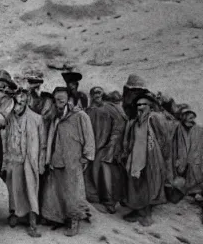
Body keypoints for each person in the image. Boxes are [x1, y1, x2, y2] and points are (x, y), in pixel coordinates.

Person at [42, 87, 95, 236]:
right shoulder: (54, 116)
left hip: (73, 160)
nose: (58, 102)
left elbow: (89, 138)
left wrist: (87, 156)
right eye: (56, 99)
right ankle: (59, 218)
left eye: (62, 99)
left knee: (73, 192)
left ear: (68, 100)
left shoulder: (80, 116)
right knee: (56, 191)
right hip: (56, 159)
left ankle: (74, 221)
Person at [122, 92, 170, 226]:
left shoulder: (154, 118)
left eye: (144, 104)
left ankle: (146, 215)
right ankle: (138, 211)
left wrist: (163, 157)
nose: (141, 107)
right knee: (135, 184)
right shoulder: (134, 122)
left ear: (150, 106)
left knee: (148, 184)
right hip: (135, 157)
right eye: (138, 104)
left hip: (151, 157)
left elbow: (164, 139)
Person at [2, 90, 46, 237]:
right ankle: (15, 213)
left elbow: (43, 144)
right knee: (14, 188)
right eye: (15, 103)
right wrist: (4, 161)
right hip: (13, 159)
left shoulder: (37, 119)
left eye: (20, 103)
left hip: (29, 161)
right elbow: (5, 139)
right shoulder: (8, 118)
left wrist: (40, 163)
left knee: (31, 190)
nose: (17, 107)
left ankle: (32, 221)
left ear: (26, 103)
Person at [84, 87, 127, 213]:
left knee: (104, 171)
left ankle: (109, 201)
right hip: (92, 146)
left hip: (106, 146)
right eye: (94, 93)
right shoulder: (89, 111)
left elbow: (119, 126)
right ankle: (95, 198)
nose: (97, 95)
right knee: (90, 172)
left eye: (99, 92)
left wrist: (112, 144)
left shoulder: (110, 109)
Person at [171, 106, 203, 199]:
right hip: (181, 155)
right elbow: (175, 143)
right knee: (181, 173)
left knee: (196, 173)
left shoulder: (199, 129)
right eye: (189, 115)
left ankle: (197, 192)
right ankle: (184, 190)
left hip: (195, 156)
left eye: (193, 116)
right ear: (184, 116)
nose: (191, 118)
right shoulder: (178, 128)